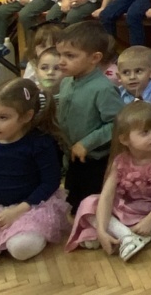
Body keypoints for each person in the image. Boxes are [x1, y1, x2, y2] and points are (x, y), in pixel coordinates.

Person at [66, 101, 151, 261]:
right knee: (88, 203)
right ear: (125, 139)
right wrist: (101, 231)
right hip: (128, 206)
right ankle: (127, 236)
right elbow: (107, 196)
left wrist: (149, 221)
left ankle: (123, 234)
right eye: (145, 132)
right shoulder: (119, 160)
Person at [0, 78, 70, 261]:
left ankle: (20, 236)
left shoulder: (40, 143)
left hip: (31, 207)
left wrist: (17, 211)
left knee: (21, 248)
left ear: (26, 117)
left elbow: (50, 183)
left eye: (3, 118)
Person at [56, 23, 126, 213]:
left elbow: (117, 124)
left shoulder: (103, 88)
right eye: (59, 54)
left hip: (95, 159)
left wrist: (87, 143)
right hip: (73, 154)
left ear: (95, 58)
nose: (61, 61)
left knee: (92, 207)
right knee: (72, 204)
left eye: (70, 56)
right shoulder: (66, 81)